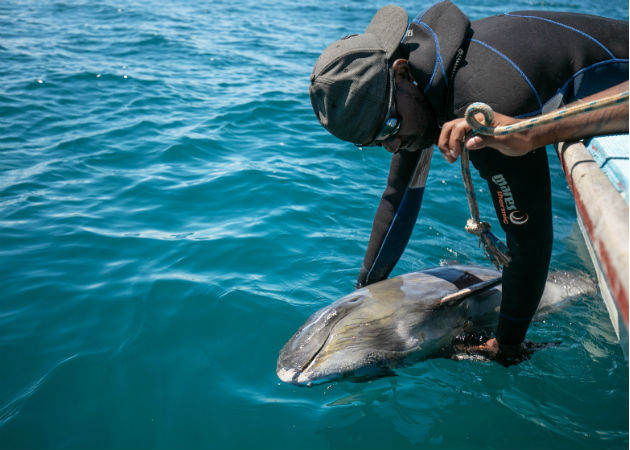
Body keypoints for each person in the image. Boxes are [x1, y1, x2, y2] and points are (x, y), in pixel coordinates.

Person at [308, 1, 629, 361]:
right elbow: (398, 198)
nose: (394, 145)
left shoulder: (482, 101)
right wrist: (365, 295)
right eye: (377, 142)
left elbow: (529, 240)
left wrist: (507, 344)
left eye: (388, 128)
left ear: (399, 71)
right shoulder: (420, 81)